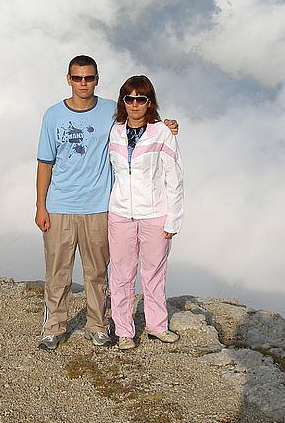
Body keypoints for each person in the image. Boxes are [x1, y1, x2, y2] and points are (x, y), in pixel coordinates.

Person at [35, 56, 178, 351]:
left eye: (89, 78)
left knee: (97, 273)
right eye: (78, 78)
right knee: (57, 272)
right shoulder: (52, 115)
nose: (83, 83)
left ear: (97, 79)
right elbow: (44, 163)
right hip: (60, 205)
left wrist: (167, 125)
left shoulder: (109, 113)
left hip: (101, 206)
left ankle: (98, 325)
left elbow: (139, 125)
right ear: (68, 79)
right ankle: (52, 328)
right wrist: (40, 206)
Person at [107, 75, 183, 350]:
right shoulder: (113, 130)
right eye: (130, 98)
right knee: (122, 273)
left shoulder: (161, 133)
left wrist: (174, 218)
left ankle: (157, 326)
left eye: (141, 98)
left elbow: (174, 177)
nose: (135, 104)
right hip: (120, 214)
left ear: (150, 102)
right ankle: (124, 330)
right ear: (123, 101)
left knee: (153, 272)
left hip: (155, 214)